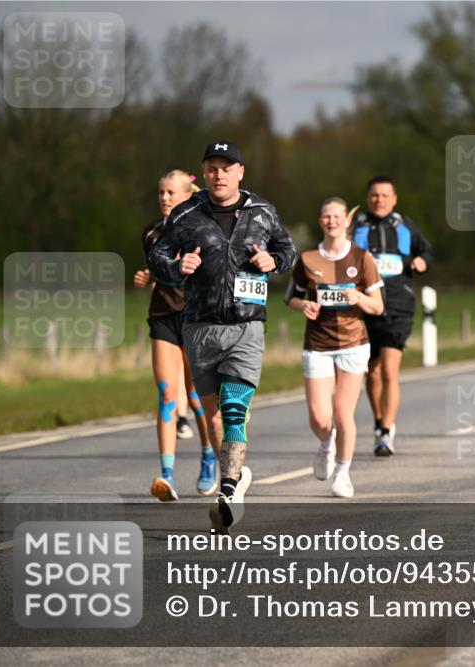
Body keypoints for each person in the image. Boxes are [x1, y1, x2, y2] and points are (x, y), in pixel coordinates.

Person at [148, 140, 296, 531]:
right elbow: (157, 259)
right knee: (211, 415)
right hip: (198, 327)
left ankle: (227, 489)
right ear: (205, 173)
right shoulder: (185, 214)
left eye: (226, 167)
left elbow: (288, 250)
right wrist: (178, 267)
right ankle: (236, 478)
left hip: (247, 325)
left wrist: (274, 260)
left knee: (233, 407)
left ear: (240, 172)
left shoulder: (262, 212)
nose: (219, 174)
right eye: (212, 168)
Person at [285, 198, 384, 497]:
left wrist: (359, 299)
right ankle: (327, 444)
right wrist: (304, 305)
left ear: (347, 221)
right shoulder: (308, 259)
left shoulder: (362, 258)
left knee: (343, 413)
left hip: (353, 344)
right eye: (326, 216)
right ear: (320, 221)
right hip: (317, 344)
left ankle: (342, 473)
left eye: (337, 216)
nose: (332, 221)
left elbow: (378, 307)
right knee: (320, 418)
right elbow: (290, 298)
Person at [136, 170, 217, 501]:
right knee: (168, 394)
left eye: (171, 192)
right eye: (161, 192)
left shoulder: (204, 229)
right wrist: (148, 278)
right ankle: (166, 475)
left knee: (197, 396)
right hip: (163, 318)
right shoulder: (152, 234)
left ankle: (209, 455)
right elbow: (159, 271)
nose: (164, 198)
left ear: (187, 195)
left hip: (196, 319)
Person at [351, 176, 432, 457]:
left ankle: (386, 432)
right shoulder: (357, 225)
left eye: (385, 195)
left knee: (389, 371)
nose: (379, 200)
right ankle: (378, 421)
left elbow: (426, 251)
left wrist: (422, 261)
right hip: (363, 307)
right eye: (374, 195)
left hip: (399, 305)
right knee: (370, 372)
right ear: (368, 197)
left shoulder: (405, 225)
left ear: (394, 198)